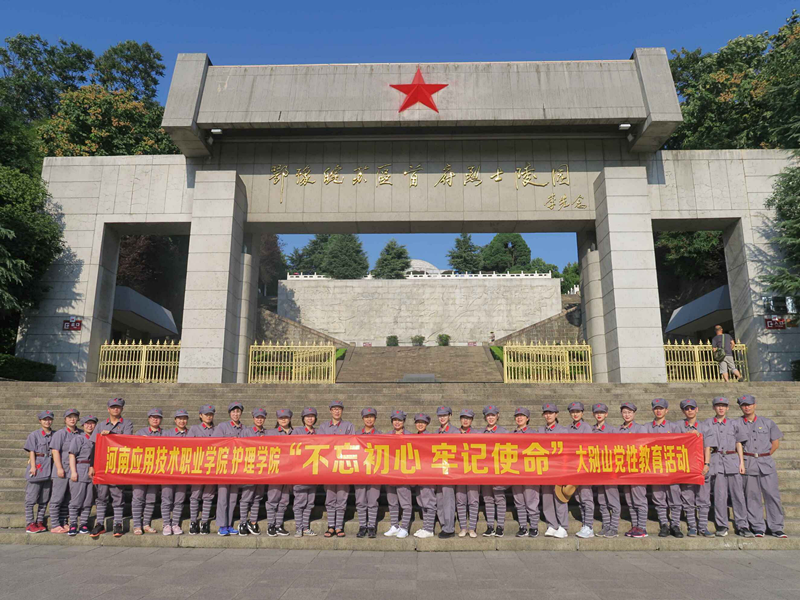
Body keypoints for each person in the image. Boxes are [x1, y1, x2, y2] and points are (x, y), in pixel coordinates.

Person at [737, 394, 787, 538]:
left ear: (755, 405)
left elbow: (775, 443)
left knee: (772, 495)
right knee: (752, 497)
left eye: (749, 404)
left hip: (766, 463)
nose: (747, 407)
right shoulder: (737, 423)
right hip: (749, 463)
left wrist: (763, 455)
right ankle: (758, 526)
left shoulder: (767, 422)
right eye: (744, 405)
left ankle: (776, 527)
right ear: (741, 407)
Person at [704, 396, 750, 537]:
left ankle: (742, 525)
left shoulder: (734, 423)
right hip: (716, 461)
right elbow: (705, 444)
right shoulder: (707, 423)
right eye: (718, 405)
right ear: (714, 408)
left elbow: (738, 443)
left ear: (728, 408)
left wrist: (741, 462)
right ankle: (722, 525)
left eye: (723, 406)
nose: (721, 408)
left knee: (738, 495)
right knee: (719, 496)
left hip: (732, 460)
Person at [90, 397, 133, 538]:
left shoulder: (127, 424)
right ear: (108, 409)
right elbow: (94, 446)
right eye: (113, 407)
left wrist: (112, 435)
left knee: (117, 495)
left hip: (118, 465)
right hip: (102, 465)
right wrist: (91, 465)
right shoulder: (101, 425)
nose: (115, 409)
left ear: (122, 409)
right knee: (101, 496)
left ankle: (118, 523)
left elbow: (127, 440)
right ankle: (99, 523)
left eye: (118, 407)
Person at [646, 399, 684, 538]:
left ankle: (675, 525)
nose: (659, 411)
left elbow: (682, 444)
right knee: (658, 497)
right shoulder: (647, 428)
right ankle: (663, 524)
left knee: (674, 496)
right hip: (655, 467)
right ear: (653, 410)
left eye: (661, 408)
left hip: (671, 467)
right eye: (656, 408)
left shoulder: (674, 427)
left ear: (666, 411)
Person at [676, 399, 714, 537]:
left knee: (703, 498)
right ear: (683, 411)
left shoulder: (705, 427)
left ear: (697, 409)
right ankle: (692, 526)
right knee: (688, 498)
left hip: (701, 466)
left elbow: (707, 447)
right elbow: (673, 443)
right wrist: (686, 436)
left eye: (692, 408)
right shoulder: (678, 426)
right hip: (686, 467)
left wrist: (707, 464)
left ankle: (703, 527)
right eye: (687, 409)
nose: (690, 411)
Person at [318, 400, 354, 538]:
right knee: (330, 498)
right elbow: (320, 445)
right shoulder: (323, 427)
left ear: (342, 411)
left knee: (342, 498)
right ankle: (331, 526)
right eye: (334, 409)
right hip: (328, 467)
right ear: (330, 411)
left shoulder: (348, 426)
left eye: (339, 409)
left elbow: (351, 444)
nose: (336, 411)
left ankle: (339, 526)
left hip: (344, 466)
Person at [48, 408, 82, 534]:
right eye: (69, 417)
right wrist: (59, 468)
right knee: (57, 498)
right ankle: (55, 524)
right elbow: (55, 451)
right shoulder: (60, 434)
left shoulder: (80, 434)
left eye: (74, 417)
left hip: (75, 471)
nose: (72, 419)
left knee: (68, 498)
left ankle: (63, 522)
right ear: (65, 420)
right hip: (62, 470)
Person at [213, 401, 245, 536]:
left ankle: (229, 524)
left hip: (237, 468)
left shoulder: (244, 429)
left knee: (232, 498)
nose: (236, 414)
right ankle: (222, 525)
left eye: (238, 412)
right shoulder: (222, 426)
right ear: (229, 413)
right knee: (223, 497)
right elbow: (214, 443)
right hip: (224, 468)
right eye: (233, 412)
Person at [618, 402, 648, 538]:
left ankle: (642, 527)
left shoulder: (640, 428)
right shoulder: (619, 430)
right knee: (630, 500)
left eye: (629, 412)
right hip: (624, 469)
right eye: (624, 412)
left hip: (637, 469)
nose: (627, 415)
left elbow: (643, 446)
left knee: (639, 499)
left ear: (634, 414)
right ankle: (635, 526)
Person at [132, 408, 163, 535]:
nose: (155, 419)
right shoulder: (140, 432)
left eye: (158, 417)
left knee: (151, 498)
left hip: (156, 470)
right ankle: (136, 525)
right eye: (153, 417)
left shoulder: (165, 434)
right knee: (138, 497)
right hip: (141, 469)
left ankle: (146, 524)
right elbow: (131, 448)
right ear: (148, 419)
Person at [539, 403, 568, 538]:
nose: (548, 415)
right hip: (545, 469)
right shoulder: (540, 430)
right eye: (546, 413)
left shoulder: (563, 430)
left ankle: (563, 526)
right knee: (547, 498)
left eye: (551, 413)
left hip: (558, 468)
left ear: (556, 415)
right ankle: (552, 524)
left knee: (559, 497)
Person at [592, 403, 621, 538]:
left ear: (606, 414)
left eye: (602, 412)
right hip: (597, 469)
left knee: (613, 499)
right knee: (602, 500)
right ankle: (606, 525)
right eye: (597, 412)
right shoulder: (591, 430)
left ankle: (614, 527)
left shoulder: (612, 430)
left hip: (610, 469)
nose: (599, 415)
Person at [23, 410, 54, 533]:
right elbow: (31, 451)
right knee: (31, 498)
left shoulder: (55, 434)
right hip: (38, 465)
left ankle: (40, 520)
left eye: (49, 419)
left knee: (44, 498)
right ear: (40, 421)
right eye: (45, 419)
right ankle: (30, 522)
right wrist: (33, 466)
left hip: (50, 467)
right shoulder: (34, 435)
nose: (47, 421)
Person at [567, 402, 594, 538]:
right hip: (573, 467)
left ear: (582, 413)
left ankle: (589, 526)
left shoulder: (586, 427)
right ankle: (585, 524)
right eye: (573, 412)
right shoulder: (568, 428)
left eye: (578, 411)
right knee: (578, 497)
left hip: (584, 467)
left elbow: (588, 446)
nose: (575, 414)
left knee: (586, 497)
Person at [511, 407, 540, 538]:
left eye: (522, 416)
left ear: (527, 418)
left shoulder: (533, 433)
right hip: (515, 471)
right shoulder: (511, 435)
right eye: (517, 416)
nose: (519, 418)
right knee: (519, 500)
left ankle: (534, 526)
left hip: (530, 472)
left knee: (531, 500)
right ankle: (523, 526)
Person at [239, 407, 268, 536]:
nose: (259, 420)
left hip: (262, 469)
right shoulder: (246, 431)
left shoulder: (268, 433)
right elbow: (239, 447)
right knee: (246, 497)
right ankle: (242, 522)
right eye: (257, 417)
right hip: (249, 469)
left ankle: (253, 521)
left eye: (262, 417)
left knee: (257, 497)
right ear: (253, 418)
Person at [188, 404, 216, 535]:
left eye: (211, 414)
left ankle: (204, 521)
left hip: (212, 467)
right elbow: (187, 446)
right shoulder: (194, 429)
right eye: (206, 414)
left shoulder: (217, 429)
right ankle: (193, 521)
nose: (209, 417)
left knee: (208, 496)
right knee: (195, 495)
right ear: (200, 415)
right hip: (197, 467)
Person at [384, 410, 413, 539]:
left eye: (400, 420)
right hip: (390, 473)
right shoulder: (386, 436)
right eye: (395, 420)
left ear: (404, 421)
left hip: (404, 474)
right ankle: (394, 526)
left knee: (405, 503)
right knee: (392, 502)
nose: (397, 422)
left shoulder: (410, 436)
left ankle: (404, 527)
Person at [67, 415, 98, 536]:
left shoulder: (97, 439)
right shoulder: (78, 439)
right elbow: (72, 455)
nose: (90, 426)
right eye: (87, 424)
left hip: (93, 470)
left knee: (88, 500)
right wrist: (73, 471)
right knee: (76, 500)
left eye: (92, 423)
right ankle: (73, 524)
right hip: (80, 468)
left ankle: (83, 523)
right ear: (83, 425)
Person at [481, 405, 509, 538]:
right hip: (485, 470)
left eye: (493, 415)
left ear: (498, 416)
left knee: (499, 498)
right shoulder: (480, 433)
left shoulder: (504, 432)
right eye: (488, 415)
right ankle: (490, 526)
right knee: (488, 498)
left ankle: (500, 526)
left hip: (499, 470)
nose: (490, 418)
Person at [291, 407, 319, 537]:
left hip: (313, 472)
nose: (310, 419)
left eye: (312, 416)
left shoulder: (318, 433)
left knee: (310, 502)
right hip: (300, 472)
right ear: (303, 418)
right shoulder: (297, 431)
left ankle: (306, 527)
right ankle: (299, 527)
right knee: (299, 501)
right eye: (307, 416)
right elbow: (291, 448)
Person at [161, 409, 189, 536]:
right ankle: (166, 524)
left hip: (184, 471)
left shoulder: (191, 434)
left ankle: (175, 523)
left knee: (179, 499)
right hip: (168, 471)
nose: (182, 421)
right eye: (179, 418)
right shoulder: (167, 433)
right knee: (166, 498)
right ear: (175, 420)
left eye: (184, 419)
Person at [265, 408, 293, 537]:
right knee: (273, 498)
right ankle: (271, 525)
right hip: (275, 470)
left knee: (284, 500)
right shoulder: (270, 433)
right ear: (277, 419)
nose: (283, 420)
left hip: (290, 471)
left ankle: (279, 525)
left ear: (290, 419)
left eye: (286, 418)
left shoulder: (295, 433)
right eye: (281, 418)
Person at [434, 406, 460, 539]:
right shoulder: (436, 432)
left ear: (450, 416)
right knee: (439, 498)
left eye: (445, 415)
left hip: (450, 469)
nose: (442, 418)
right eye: (440, 416)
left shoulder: (455, 431)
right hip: (437, 469)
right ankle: (443, 523)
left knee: (448, 498)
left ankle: (449, 527)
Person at [355, 407, 381, 538]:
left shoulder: (381, 435)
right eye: (366, 417)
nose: (369, 419)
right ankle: (362, 525)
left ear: (375, 419)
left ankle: (371, 526)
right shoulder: (356, 435)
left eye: (371, 417)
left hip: (375, 472)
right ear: (362, 419)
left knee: (373, 500)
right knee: (360, 500)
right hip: (360, 472)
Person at [456, 409, 481, 538]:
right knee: (460, 500)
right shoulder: (454, 433)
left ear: (472, 420)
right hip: (458, 471)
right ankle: (463, 527)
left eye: (468, 418)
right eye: (463, 418)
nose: (465, 420)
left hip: (473, 471)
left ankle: (472, 528)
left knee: (473, 500)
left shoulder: (477, 434)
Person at [413, 413, 437, 539]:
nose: (420, 424)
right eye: (418, 422)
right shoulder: (413, 437)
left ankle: (429, 529)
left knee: (429, 502)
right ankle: (425, 526)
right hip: (417, 474)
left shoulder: (431, 437)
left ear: (427, 424)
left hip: (428, 474)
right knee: (422, 501)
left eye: (422, 422)